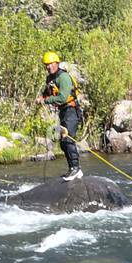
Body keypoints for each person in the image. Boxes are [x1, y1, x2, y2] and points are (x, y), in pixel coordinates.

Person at [37, 51, 82, 182]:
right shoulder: (50, 78)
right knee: (63, 143)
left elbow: (62, 98)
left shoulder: (63, 77)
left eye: (51, 64)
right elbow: (47, 93)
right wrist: (41, 98)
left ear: (56, 63)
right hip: (63, 112)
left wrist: (45, 101)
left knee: (68, 140)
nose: (49, 67)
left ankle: (76, 169)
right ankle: (73, 168)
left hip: (71, 111)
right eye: (46, 65)